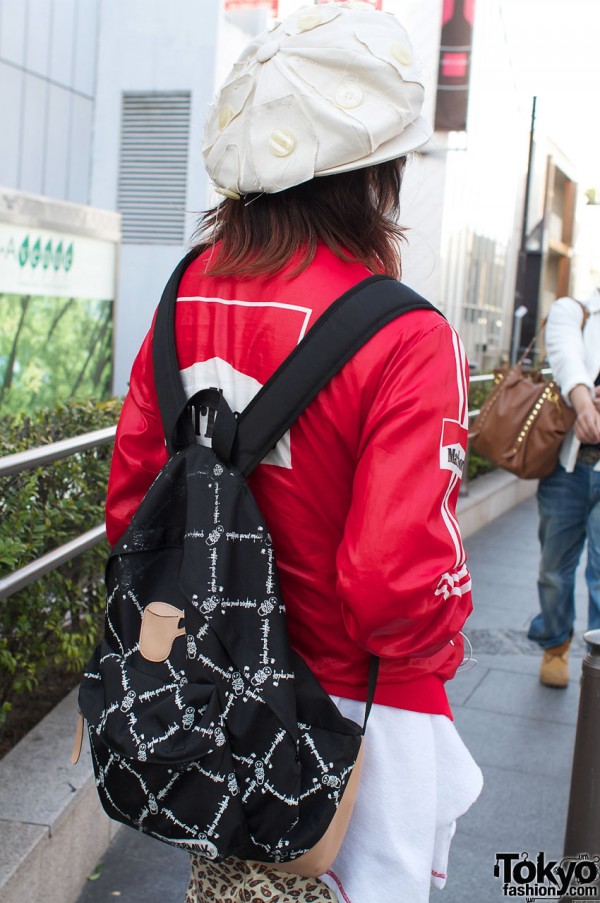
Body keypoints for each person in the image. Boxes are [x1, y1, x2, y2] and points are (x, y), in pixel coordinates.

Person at [105, 4, 482, 900]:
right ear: (377, 169)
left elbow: (133, 509)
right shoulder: (404, 333)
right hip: (352, 720)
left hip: (213, 693)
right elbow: (397, 586)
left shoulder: (185, 290)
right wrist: (445, 638)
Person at [528, 288, 600, 688]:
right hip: (567, 469)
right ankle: (556, 644)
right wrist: (585, 401)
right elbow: (566, 354)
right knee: (554, 571)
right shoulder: (575, 310)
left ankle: (597, 659)